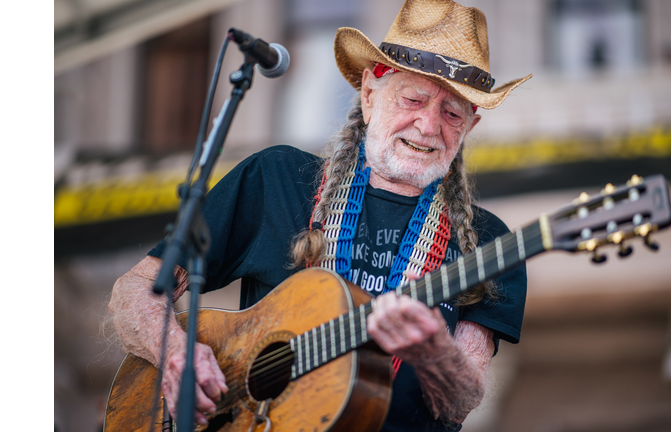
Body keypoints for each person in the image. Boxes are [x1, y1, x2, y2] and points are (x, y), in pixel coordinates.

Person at [108, 0, 532, 431]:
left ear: (468, 128)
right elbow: (136, 289)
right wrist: (177, 353)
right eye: (414, 98)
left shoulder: (487, 242)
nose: (427, 125)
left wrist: (434, 353)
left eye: (451, 112)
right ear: (370, 94)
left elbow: (461, 403)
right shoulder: (275, 177)